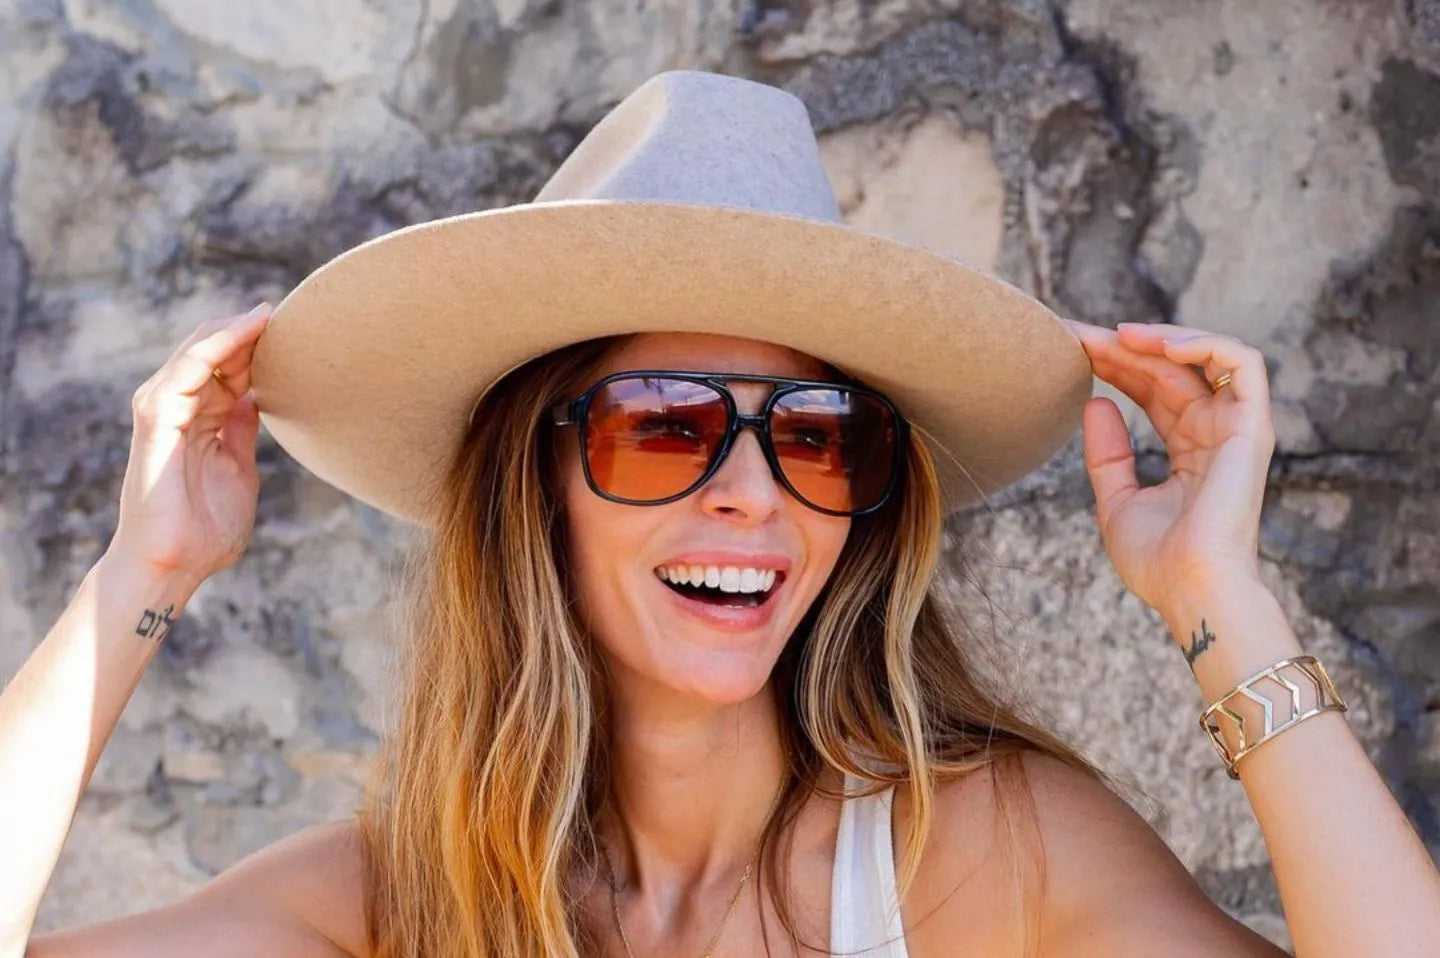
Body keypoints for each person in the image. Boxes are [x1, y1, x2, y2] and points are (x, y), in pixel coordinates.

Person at [2, 69, 1436, 958]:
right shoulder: (396, 901)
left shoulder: (978, 853)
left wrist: (1218, 597)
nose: (752, 490)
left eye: (818, 436)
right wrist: (147, 570)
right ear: (535, 485)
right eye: (667, 425)